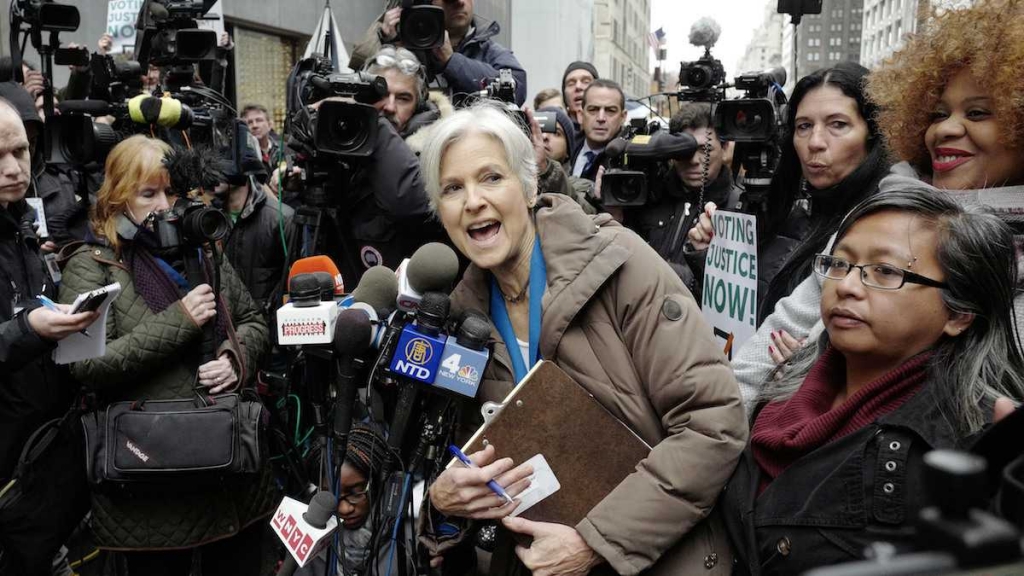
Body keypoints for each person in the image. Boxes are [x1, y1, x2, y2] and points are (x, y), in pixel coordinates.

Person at [418, 103, 747, 575]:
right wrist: (444, 500)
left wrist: (596, 543)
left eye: (491, 178)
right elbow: (452, 460)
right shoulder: (457, 318)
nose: (473, 201)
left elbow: (713, 424)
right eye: (453, 188)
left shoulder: (619, 262)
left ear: (529, 186)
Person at [731, 0, 1024, 406]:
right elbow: (764, 350)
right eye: (937, 113)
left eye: (977, 113)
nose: (945, 129)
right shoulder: (877, 218)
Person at [720, 186, 1024, 575]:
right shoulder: (774, 390)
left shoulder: (977, 447)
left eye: (886, 271)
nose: (846, 286)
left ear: (959, 313)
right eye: (839, 264)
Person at [58, 135, 274, 576]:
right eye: (149, 193)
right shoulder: (91, 264)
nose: (164, 205)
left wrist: (235, 358)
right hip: (148, 485)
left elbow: (252, 321)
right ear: (118, 199)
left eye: (173, 192)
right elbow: (83, 365)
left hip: (227, 473)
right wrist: (181, 320)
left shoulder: (203, 248)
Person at [688, 62, 890, 323]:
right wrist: (712, 256)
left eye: (837, 124)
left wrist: (814, 348)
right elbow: (739, 320)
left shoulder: (890, 226)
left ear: (872, 133)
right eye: (804, 126)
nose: (815, 142)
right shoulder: (783, 212)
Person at [0, 98, 97, 575]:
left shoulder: (20, 228)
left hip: (39, 465)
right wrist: (29, 329)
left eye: (20, 151)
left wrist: (56, 314)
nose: (13, 169)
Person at [277, 45, 449, 286]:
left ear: (419, 106)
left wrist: (372, 122)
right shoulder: (345, 141)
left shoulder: (437, 147)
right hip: (344, 280)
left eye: (403, 98)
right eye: (380, 95)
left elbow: (410, 201)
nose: (389, 106)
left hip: (397, 293)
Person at [625, 102, 742, 294]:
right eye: (684, 151)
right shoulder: (650, 194)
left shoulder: (738, 206)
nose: (694, 160)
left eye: (705, 150)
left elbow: (730, 295)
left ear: (725, 147)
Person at [294, 423, 393, 576]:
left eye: (356, 493)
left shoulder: (406, 535)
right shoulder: (303, 530)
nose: (344, 509)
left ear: (377, 484)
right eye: (331, 495)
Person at [570, 78, 628, 182]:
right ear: (580, 115)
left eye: (610, 111)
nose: (601, 118)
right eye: (593, 109)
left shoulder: (629, 159)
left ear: (623, 117)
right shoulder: (566, 150)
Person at [242, 104, 281, 174]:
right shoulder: (243, 156)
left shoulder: (284, 149)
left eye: (259, 120)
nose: (254, 125)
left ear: (270, 125)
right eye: (249, 122)